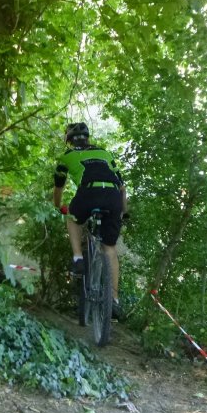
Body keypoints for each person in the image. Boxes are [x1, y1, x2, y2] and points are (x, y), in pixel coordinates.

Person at [52, 122, 127, 318]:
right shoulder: (105, 153)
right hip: (113, 197)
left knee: (72, 218)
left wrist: (58, 206)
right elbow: (122, 187)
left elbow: (58, 187)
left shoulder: (66, 156)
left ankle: (77, 258)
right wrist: (123, 212)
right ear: (89, 139)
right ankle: (114, 300)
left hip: (89, 193)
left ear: (68, 141)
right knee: (109, 248)